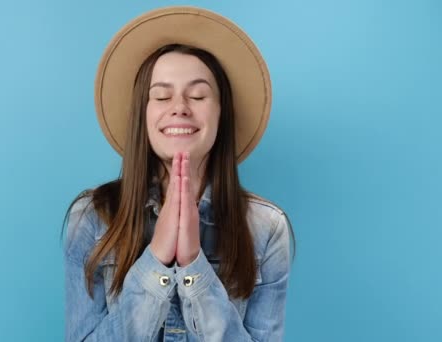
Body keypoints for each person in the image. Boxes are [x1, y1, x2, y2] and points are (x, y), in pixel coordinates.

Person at [62, 6, 295, 342]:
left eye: (198, 95)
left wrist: (192, 267)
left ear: (221, 114)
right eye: (161, 95)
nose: (180, 106)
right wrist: (156, 259)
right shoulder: (92, 217)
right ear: (143, 115)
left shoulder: (267, 228)